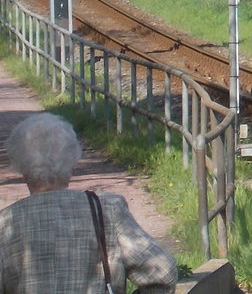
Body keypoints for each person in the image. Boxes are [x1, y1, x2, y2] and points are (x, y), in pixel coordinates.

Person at [0, 113, 177, 294]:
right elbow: (163, 273)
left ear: (22, 170)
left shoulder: (5, 223)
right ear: (71, 163)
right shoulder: (107, 209)